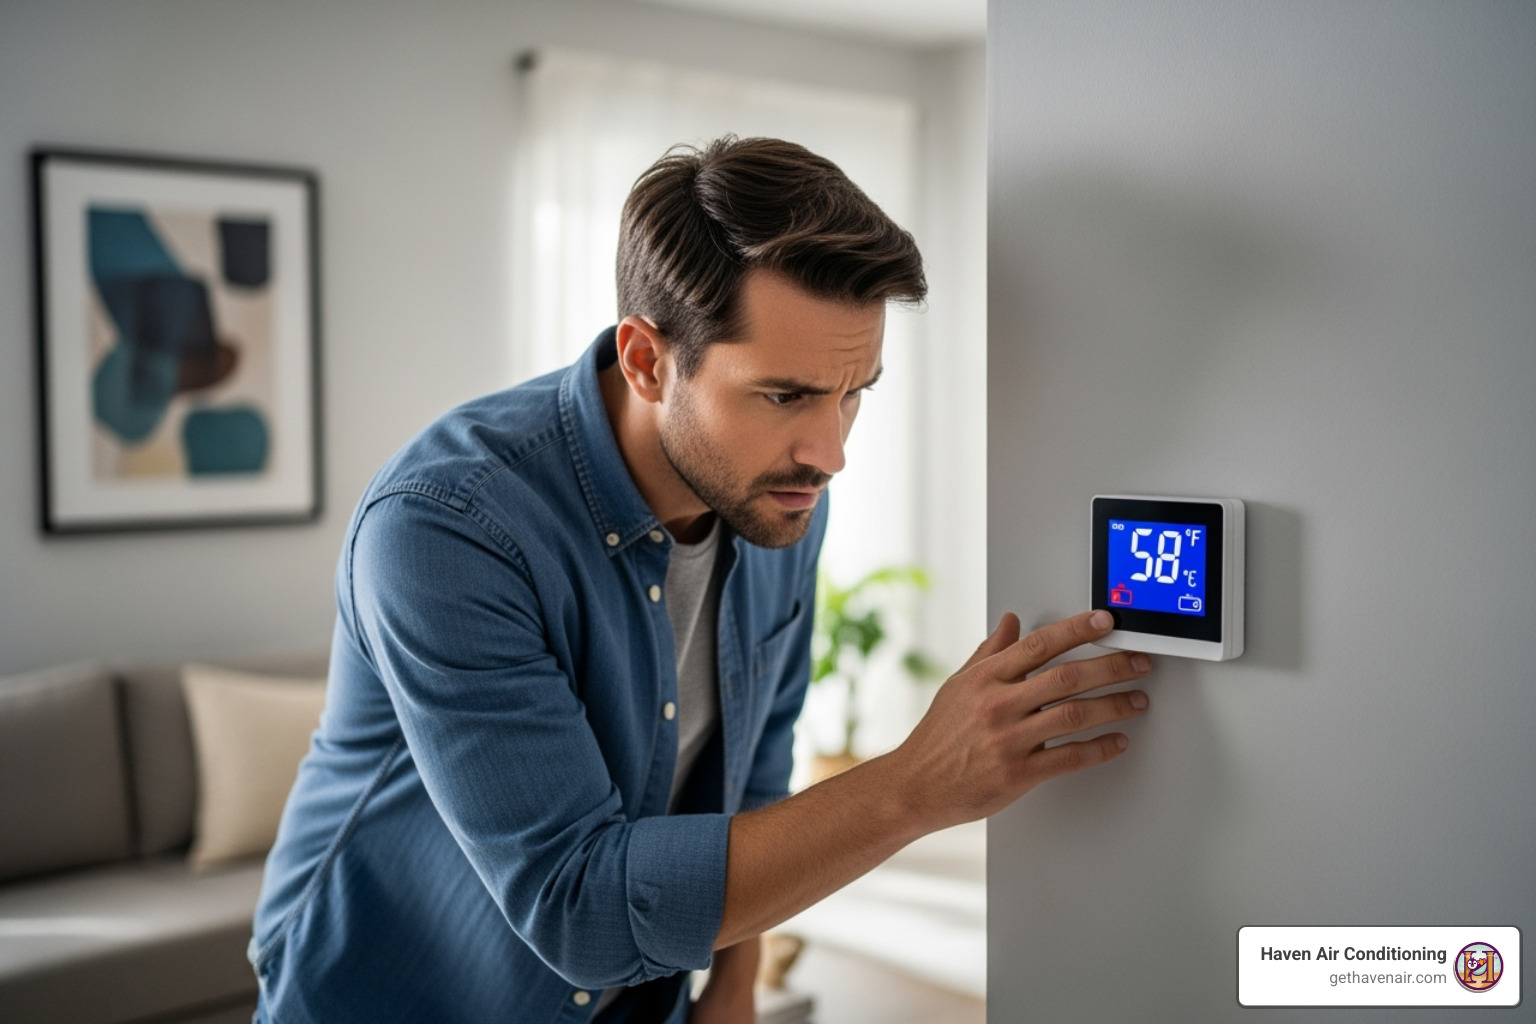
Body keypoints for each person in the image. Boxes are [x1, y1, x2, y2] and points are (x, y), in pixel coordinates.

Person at [250, 136, 1151, 1024]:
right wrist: (917, 782)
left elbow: (754, 767)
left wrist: (730, 987)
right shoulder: (446, 527)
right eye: (785, 394)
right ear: (647, 360)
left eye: (855, 392)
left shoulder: (783, 496)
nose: (831, 452)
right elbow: (581, 908)